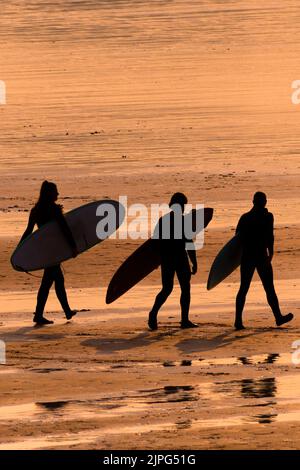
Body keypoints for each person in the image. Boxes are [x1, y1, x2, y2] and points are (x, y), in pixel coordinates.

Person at [20, 181, 78, 325]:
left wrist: (20, 249)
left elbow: (28, 231)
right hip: (53, 251)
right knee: (52, 282)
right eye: (55, 191)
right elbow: (65, 229)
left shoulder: (36, 210)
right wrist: (73, 247)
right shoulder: (54, 210)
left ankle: (65, 311)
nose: (57, 194)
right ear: (49, 194)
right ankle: (50, 313)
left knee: (54, 281)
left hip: (44, 250)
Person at [235, 191, 293, 330]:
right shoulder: (268, 216)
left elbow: (236, 238)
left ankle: (238, 321)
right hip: (261, 256)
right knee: (269, 288)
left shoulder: (245, 217)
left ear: (253, 202)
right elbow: (269, 236)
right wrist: (271, 253)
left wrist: (237, 258)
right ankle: (278, 317)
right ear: (264, 202)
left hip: (247, 256)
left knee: (244, 288)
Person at [148, 192, 198, 330]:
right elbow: (189, 243)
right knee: (185, 289)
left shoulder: (163, 220)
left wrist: (156, 260)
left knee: (167, 288)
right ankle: (184, 320)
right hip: (180, 258)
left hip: (167, 259)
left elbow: (155, 243)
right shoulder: (183, 221)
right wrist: (194, 262)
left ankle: (153, 314)